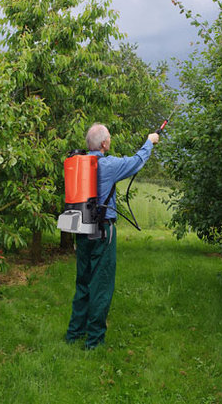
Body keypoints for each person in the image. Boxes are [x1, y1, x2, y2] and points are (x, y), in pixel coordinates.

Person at [65, 123, 159, 350]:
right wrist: (150, 142)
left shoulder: (77, 164)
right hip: (103, 230)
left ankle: (74, 333)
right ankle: (94, 341)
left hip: (81, 229)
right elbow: (136, 161)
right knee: (101, 284)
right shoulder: (108, 164)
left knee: (83, 281)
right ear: (104, 144)